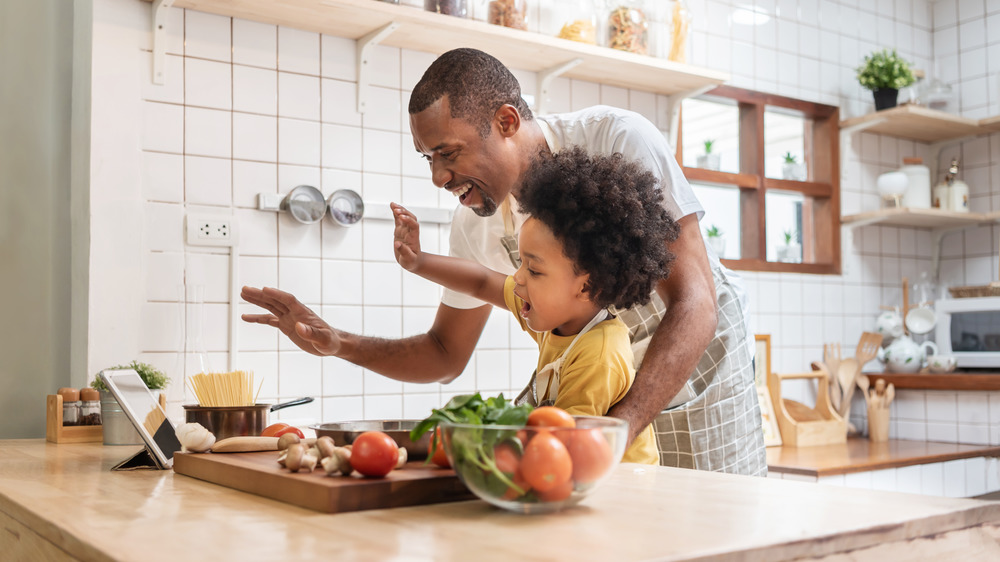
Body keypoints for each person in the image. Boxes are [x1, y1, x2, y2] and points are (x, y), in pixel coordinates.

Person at [242, 47, 766, 475]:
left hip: (698, 378)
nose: (438, 178)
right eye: (428, 159)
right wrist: (337, 343)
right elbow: (445, 352)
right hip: (596, 411)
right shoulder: (475, 221)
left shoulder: (616, 140)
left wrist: (622, 427)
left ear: (507, 120)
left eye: (448, 152)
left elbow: (695, 301)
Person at [393, 147, 678, 465]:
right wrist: (419, 262)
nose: (518, 277)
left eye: (534, 269)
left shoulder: (599, 355)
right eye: (522, 263)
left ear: (585, 287)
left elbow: (565, 451)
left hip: (622, 493)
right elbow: (481, 282)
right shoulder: (558, 313)